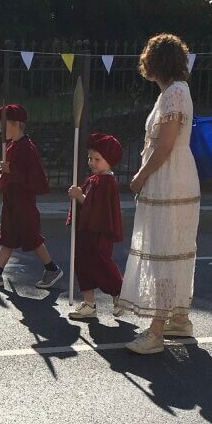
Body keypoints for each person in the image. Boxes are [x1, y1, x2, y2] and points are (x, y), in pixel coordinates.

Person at [118, 34, 201, 354]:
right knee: (173, 247)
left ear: (157, 62)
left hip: (169, 180)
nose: (143, 61)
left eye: (148, 56)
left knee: (164, 251)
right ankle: (178, 319)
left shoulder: (174, 94)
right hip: (173, 178)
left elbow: (165, 145)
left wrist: (140, 176)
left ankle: (155, 333)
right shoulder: (174, 92)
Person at [0, 104, 64, 290]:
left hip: (23, 202)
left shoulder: (26, 148)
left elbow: (34, 177)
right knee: (8, 236)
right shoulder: (14, 146)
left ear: (16, 124)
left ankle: (52, 269)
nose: (0, 130)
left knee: (31, 236)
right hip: (12, 200)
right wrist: (5, 172)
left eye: (2, 125)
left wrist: (10, 170)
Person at [66, 133, 124, 320]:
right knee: (83, 264)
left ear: (109, 161)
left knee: (101, 264)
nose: (92, 162)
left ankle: (119, 294)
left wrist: (79, 196)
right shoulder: (93, 180)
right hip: (87, 231)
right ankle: (89, 303)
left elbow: (96, 207)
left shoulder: (107, 182)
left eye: (97, 159)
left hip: (99, 232)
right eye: (90, 158)